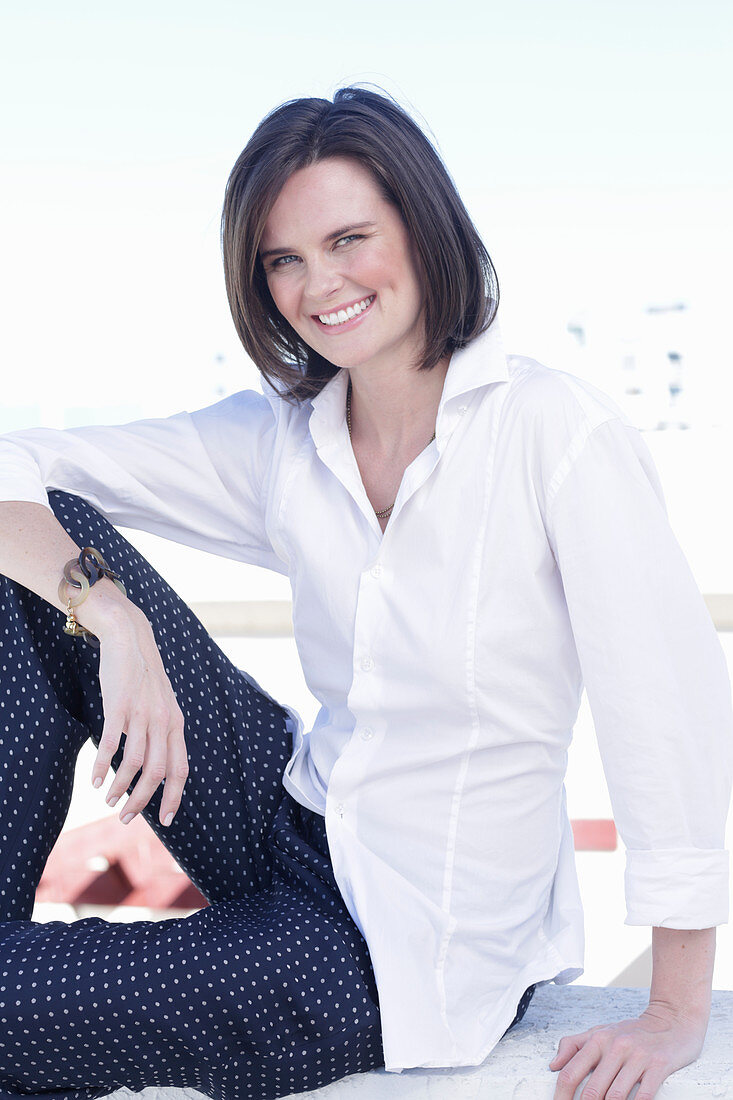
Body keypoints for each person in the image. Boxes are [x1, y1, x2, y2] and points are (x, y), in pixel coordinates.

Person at [0, 84, 730, 1100]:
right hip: (292, 819)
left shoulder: (554, 434)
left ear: (424, 230)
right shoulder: (285, 438)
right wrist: (110, 614)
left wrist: (675, 1006)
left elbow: (666, 709)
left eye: (350, 239)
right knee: (41, 555)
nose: (319, 283)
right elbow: (13, 461)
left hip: (396, 956)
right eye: (284, 259)